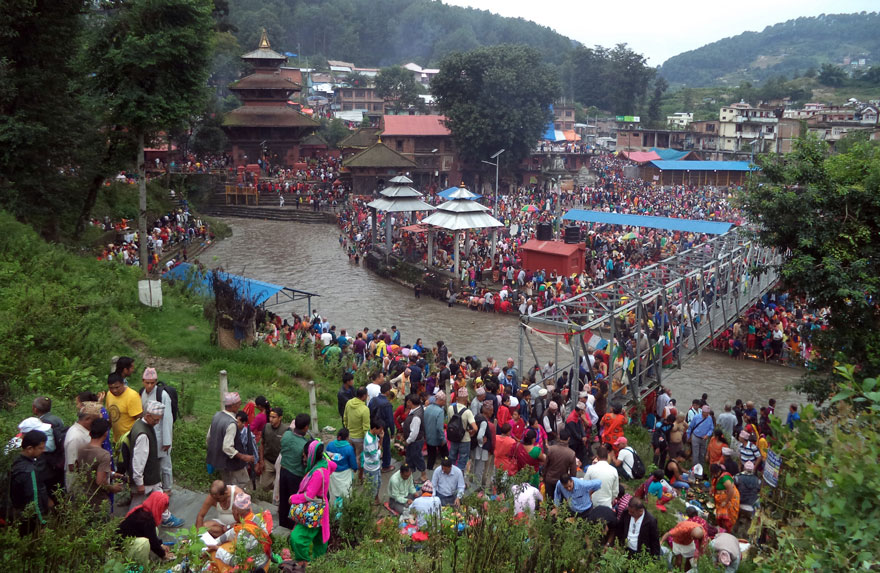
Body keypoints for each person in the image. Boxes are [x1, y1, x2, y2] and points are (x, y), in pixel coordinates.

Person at [289, 441, 336, 562]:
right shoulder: (325, 465)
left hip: (314, 510)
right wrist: (324, 455)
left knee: (297, 538)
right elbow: (334, 465)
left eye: (305, 455)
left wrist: (293, 499)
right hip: (323, 507)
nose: (303, 458)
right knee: (320, 540)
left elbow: (309, 495)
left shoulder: (317, 473)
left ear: (310, 456)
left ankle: (304, 561)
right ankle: (319, 565)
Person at [206, 492, 273, 571]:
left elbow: (236, 561)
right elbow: (231, 533)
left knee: (215, 555)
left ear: (236, 512)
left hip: (255, 568)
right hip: (265, 560)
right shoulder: (254, 519)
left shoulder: (244, 533)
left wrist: (217, 549)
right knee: (226, 544)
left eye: (233, 511)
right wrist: (214, 542)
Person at [206, 392, 252, 490]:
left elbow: (209, 438)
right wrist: (243, 456)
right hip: (231, 462)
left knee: (226, 484)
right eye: (239, 404)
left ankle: (227, 503)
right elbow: (227, 447)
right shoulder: (232, 424)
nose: (240, 406)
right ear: (233, 406)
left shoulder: (217, 416)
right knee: (242, 483)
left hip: (219, 460)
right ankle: (237, 502)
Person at [74, 418, 123, 511]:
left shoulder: (81, 449)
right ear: (105, 433)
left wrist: (111, 474)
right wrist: (113, 488)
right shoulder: (104, 455)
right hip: (98, 502)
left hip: (83, 497)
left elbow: (80, 469)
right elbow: (100, 481)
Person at [139, 368, 174, 493]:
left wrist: (167, 440)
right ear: (143, 381)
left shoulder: (163, 395)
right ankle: (155, 487)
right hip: (147, 433)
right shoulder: (141, 393)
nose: (149, 385)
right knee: (150, 462)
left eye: (152, 383)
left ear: (156, 382)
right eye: (147, 382)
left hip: (160, 434)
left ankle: (167, 488)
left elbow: (168, 419)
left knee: (165, 464)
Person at [117, 491, 174, 565]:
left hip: (124, 539)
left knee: (155, 530)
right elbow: (152, 541)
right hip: (122, 548)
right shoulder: (147, 519)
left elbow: (151, 534)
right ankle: (142, 565)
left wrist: (160, 545)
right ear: (158, 506)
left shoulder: (142, 510)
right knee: (144, 543)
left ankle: (141, 554)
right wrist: (163, 555)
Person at [10, 430, 49, 533]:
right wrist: (42, 523)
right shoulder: (29, 471)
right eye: (41, 448)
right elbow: (34, 499)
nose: (43, 450)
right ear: (29, 449)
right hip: (27, 519)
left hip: (15, 514)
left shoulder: (15, 460)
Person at [278, 413, 310, 530]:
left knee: (283, 499)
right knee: (294, 501)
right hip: (296, 475)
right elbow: (305, 463)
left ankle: (282, 523)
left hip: (283, 471)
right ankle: (293, 526)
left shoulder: (286, 435)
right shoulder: (305, 444)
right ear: (306, 427)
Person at [63, 401, 99, 489]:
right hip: (79, 486)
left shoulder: (83, 433)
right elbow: (72, 466)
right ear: (87, 419)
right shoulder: (76, 437)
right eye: (96, 421)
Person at [106, 373, 143, 443]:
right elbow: (111, 415)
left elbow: (139, 420)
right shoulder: (109, 394)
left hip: (130, 439)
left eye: (117, 387)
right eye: (111, 388)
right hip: (117, 440)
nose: (114, 390)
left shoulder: (132, 396)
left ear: (123, 384)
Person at [448, 387, 477, 472]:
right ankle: (459, 479)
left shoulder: (450, 408)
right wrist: (471, 433)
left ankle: (451, 477)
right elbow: (475, 428)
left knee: (452, 458)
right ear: (466, 398)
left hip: (453, 437)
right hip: (465, 439)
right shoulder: (467, 412)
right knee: (462, 461)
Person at [368, 382, 396, 473]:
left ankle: (372, 462)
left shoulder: (373, 400)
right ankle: (386, 465)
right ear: (387, 391)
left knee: (372, 444)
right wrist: (392, 432)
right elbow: (391, 420)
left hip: (372, 427)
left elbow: (369, 411)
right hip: (382, 428)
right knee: (386, 445)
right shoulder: (387, 404)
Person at [325, 427, 358, 503]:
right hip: (345, 474)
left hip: (333, 473)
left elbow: (326, 457)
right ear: (347, 437)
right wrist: (355, 468)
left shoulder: (330, 445)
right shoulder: (349, 448)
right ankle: (340, 511)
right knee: (345, 493)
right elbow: (353, 463)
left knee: (336, 492)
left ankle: (337, 505)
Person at [544, 428, 578, 498]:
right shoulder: (571, 453)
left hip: (549, 479)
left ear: (559, 437)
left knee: (549, 502)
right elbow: (573, 472)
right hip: (562, 482)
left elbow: (546, 465)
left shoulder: (551, 449)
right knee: (560, 503)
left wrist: (544, 477)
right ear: (568, 438)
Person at [257, 407, 285, 491]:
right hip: (268, 462)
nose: (271, 419)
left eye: (274, 417)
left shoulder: (286, 430)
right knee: (264, 486)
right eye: (270, 417)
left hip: (281, 463)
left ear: (280, 418)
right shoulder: (266, 427)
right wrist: (261, 460)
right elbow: (262, 444)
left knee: (280, 487)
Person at [402, 394, 427, 482]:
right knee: (410, 457)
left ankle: (423, 476)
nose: (406, 403)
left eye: (408, 402)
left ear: (410, 402)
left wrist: (408, 441)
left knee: (417, 457)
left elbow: (414, 433)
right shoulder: (417, 410)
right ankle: (410, 474)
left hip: (415, 441)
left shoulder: (416, 416)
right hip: (415, 440)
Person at [471, 400, 495, 489]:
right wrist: (481, 442)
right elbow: (480, 436)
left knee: (474, 468)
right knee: (479, 469)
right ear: (487, 411)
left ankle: (473, 486)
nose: (492, 412)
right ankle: (477, 488)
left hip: (474, 447)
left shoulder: (477, 416)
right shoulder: (484, 422)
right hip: (481, 449)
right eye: (491, 410)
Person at [710, 463, 741, 531]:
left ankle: (727, 531)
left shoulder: (725, 478)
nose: (714, 475)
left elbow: (731, 490)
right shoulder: (717, 477)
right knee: (721, 516)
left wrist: (726, 501)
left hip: (729, 499)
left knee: (726, 517)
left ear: (718, 471)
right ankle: (722, 529)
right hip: (721, 499)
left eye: (715, 473)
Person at [734, 461, 760, 537]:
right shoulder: (757, 480)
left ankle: (734, 532)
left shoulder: (738, 478)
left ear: (744, 468)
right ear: (752, 470)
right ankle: (745, 536)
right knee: (748, 522)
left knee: (736, 519)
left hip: (739, 505)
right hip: (751, 507)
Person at [343, 387, 370, 459]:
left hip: (349, 436)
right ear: (364, 396)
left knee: (350, 457)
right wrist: (368, 441)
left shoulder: (349, 403)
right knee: (359, 458)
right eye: (367, 394)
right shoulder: (365, 409)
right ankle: (359, 470)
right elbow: (366, 428)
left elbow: (345, 418)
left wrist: (347, 429)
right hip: (359, 439)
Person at [424, 391, 448, 470]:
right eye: (444, 401)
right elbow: (439, 427)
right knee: (445, 456)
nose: (444, 403)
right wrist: (443, 439)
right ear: (440, 400)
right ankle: (446, 470)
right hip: (437, 439)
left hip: (428, 437)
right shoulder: (440, 411)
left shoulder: (428, 408)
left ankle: (429, 472)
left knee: (431, 456)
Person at [686, 405, 714, 469]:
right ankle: (695, 469)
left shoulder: (709, 418)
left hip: (704, 439)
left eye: (708, 413)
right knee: (695, 454)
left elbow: (711, 428)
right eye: (707, 413)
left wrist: (708, 435)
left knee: (702, 454)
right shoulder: (696, 417)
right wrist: (688, 436)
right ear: (703, 412)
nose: (708, 414)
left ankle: (701, 468)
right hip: (696, 437)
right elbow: (690, 427)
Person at [362, 420, 384, 502]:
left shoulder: (373, 435)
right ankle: (371, 503)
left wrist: (381, 438)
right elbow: (376, 457)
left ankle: (375, 498)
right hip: (371, 468)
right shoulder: (369, 441)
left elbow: (378, 446)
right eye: (380, 430)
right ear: (375, 428)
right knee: (372, 487)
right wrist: (380, 450)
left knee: (378, 483)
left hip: (376, 466)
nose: (381, 431)